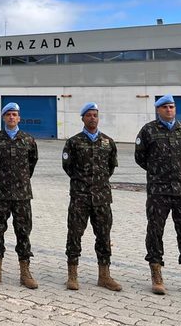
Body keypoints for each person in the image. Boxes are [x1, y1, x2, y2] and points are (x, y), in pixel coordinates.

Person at [135, 94, 181, 296]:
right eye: (165, 107)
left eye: (172, 107)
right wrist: (157, 172)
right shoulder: (148, 130)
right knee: (155, 232)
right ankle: (157, 275)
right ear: (158, 110)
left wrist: (180, 174)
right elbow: (140, 157)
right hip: (158, 191)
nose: (169, 110)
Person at [61, 102, 121, 292]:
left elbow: (110, 168)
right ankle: (72, 275)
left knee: (104, 236)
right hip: (80, 197)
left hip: (102, 198)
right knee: (74, 235)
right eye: (89, 115)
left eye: (95, 115)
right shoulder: (73, 142)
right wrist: (82, 183)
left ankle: (104, 276)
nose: (92, 118)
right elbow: (68, 167)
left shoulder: (108, 142)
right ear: (83, 119)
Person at [0, 102, 39, 289]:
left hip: (22, 194)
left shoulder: (28, 140)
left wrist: (20, 179)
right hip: (0, 193)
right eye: (8, 114)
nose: (11, 117)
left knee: (23, 232)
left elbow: (32, 163)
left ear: (19, 118)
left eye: (15, 114)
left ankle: (25, 272)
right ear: (3, 117)